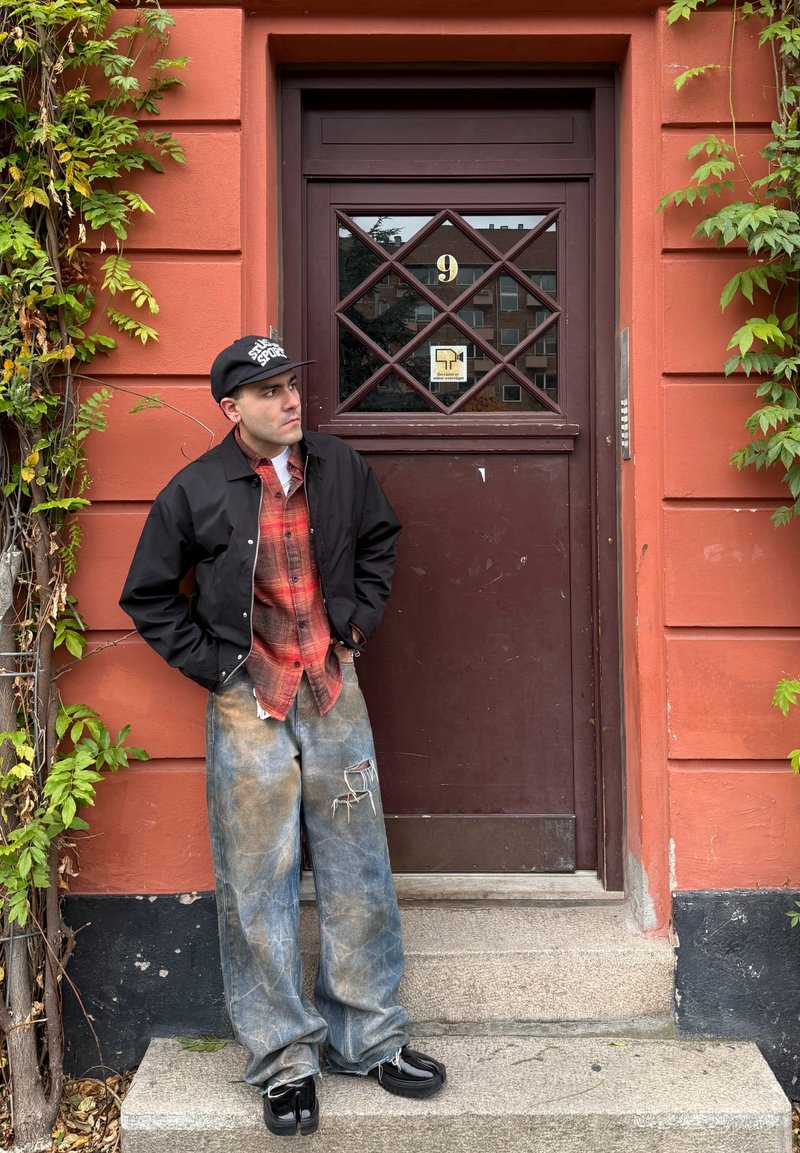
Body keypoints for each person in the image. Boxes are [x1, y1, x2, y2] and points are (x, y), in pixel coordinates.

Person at [120, 335, 445, 1137]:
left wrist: (357, 624)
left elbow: (379, 539)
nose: (290, 400)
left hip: (332, 688)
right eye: (268, 391)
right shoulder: (196, 489)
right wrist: (217, 666)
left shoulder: (339, 467)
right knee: (255, 879)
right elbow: (149, 594)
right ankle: (283, 1060)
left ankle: (368, 1038)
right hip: (249, 700)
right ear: (232, 408)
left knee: (358, 866)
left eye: (291, 385)